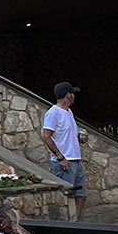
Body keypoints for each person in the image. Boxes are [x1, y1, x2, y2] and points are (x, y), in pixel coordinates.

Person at [41, 81, 89, 220]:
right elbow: (46, 136)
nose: (74, 96)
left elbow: (66, 135)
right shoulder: (53, 113)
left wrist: (79, 138)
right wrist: (60, 157)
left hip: (75, 159)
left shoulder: (68, 112)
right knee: (67, 197)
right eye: (72, 93)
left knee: (81, 195)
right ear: (68, 95)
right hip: (65, 161)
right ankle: (69, 225)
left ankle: (77, 223)